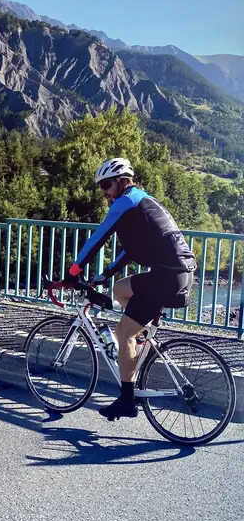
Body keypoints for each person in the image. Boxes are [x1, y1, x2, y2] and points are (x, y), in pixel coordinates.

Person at [66, 157, 196, 420]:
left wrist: (74, 270)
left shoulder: (126, 202)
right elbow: (131, 250)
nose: (103, 191)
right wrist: (104, 275)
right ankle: (139, 337)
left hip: (167, 277)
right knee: (121, 288)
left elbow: (98, 237)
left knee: (122, 332)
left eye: (106, 184)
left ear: (122, 181)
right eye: (100, 186)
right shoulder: (141, 200)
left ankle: (127, 401)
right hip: (180, 274)